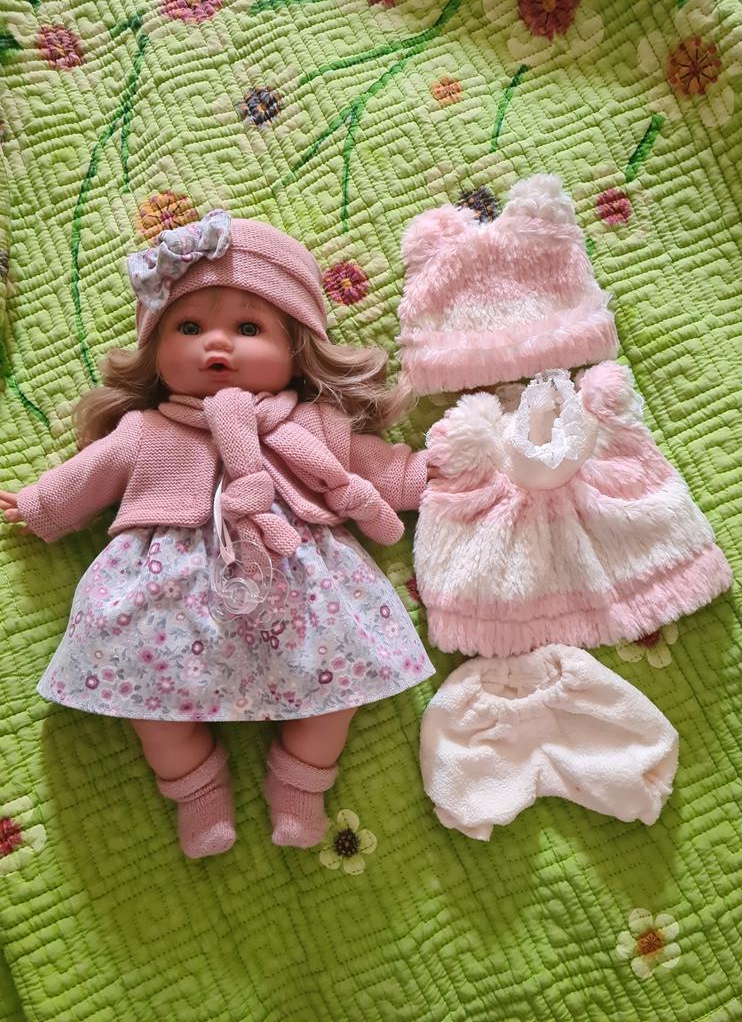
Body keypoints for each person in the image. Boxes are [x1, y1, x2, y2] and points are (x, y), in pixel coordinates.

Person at [0, 209, 433, 858]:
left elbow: (377, 469)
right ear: (156, 349)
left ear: (297, 349)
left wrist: (433, 473)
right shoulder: (147, 431)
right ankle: (196, 789)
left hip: (302, 592)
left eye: (249, 328)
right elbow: (90, 475)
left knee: (338, 691)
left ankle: (301, 781)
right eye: (189, 327)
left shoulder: (312, 424)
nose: (217, 345)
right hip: (167, 600)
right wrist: (40, 504)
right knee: (144, 699)